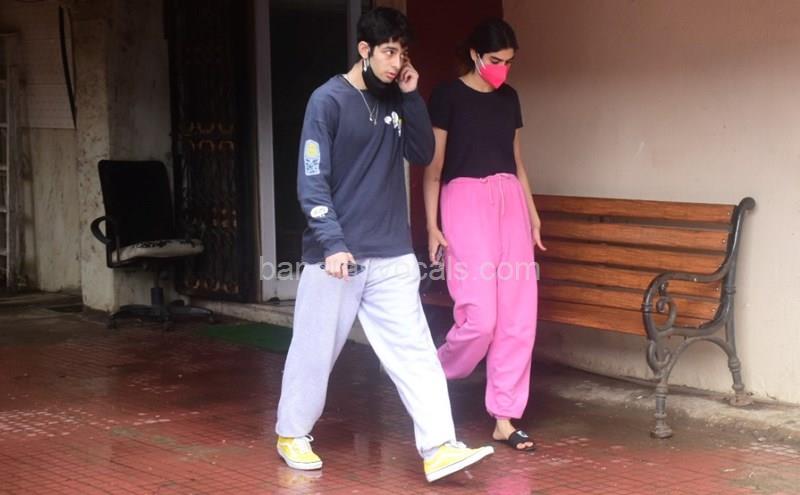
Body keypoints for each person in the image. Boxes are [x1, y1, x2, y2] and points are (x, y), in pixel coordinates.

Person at [275, 7, 494, 483]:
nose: (397, 63)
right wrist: (332, 243)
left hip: (391, 252)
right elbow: (312, 181)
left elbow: (423, 152)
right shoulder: (327, 101)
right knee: (315, 350)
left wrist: (412, 97)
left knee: (415, 351)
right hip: (337, 256)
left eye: (402, 53)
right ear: (365, 50)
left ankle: (439, 447)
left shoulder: (398, 98)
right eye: (389, 52)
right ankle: (292, 432)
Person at [423, 18, 545, 452]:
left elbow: (517, 163)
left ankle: (505, 418)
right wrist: (432, 226)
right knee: (480, 318)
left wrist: (532, 216)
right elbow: (434, 170)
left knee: (518, 317)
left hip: (510, 203)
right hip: (464, 201)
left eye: (509, 62)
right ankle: (429, 372)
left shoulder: (510, 98)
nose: (502, 69)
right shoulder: (447, 96)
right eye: (495, 60)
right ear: (475, 54)